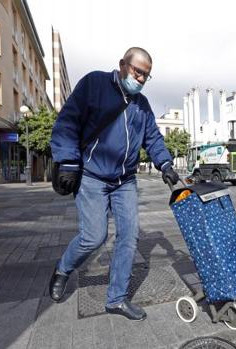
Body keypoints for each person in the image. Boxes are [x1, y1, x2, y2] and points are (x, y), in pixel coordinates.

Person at [48, 47, 180, 321]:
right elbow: (67, 122)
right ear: (123, 65)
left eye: (146, 76)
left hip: (125, 181)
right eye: (138, 72)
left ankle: (116, 299)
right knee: (93, 237)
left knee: (129, 237)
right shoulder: (95, 84)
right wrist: (69, 161)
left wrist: (165, 164)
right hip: (92, 177)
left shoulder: (142, 106)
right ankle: (63, 269)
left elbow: (153, 138)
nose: (141, 79)